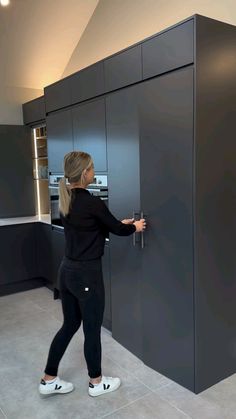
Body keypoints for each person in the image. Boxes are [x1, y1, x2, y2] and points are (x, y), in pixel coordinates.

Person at [39, 151, 146, 397]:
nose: (94, 171)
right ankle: (97, 382)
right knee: (91, 329)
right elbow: (117, 229)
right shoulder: (92, 202)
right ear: (85, 173)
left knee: (69, 325)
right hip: (86, 274)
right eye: (92, 168)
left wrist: (121, 224)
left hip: (66, 271)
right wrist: (135, 227)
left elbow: (91, 227)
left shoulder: (67, 200)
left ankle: (49, 379)